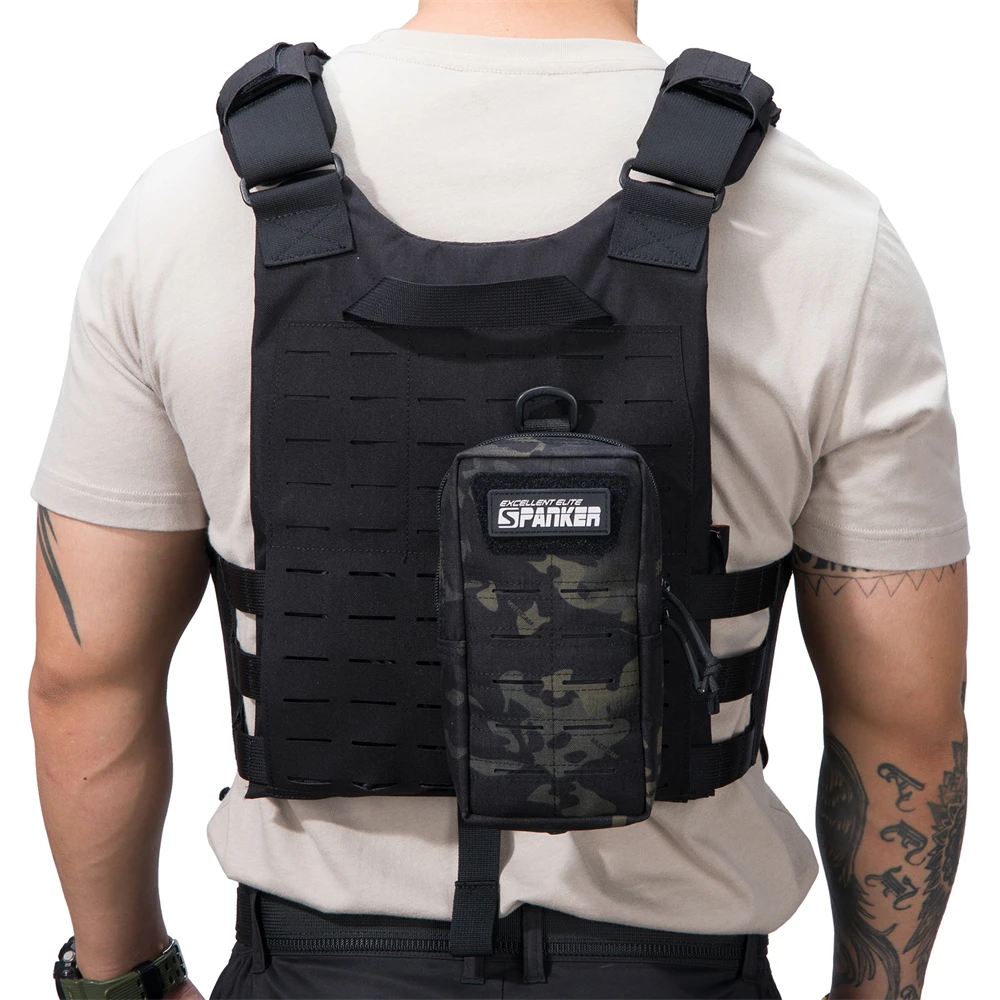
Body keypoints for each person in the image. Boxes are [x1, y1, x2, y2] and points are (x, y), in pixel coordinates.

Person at [29, 1, 969, 998]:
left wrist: (121, 977)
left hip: (313, 966)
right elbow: (905, 719)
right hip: (675, 970)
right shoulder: (824, 233)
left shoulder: (184, 210)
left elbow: (83, 680)